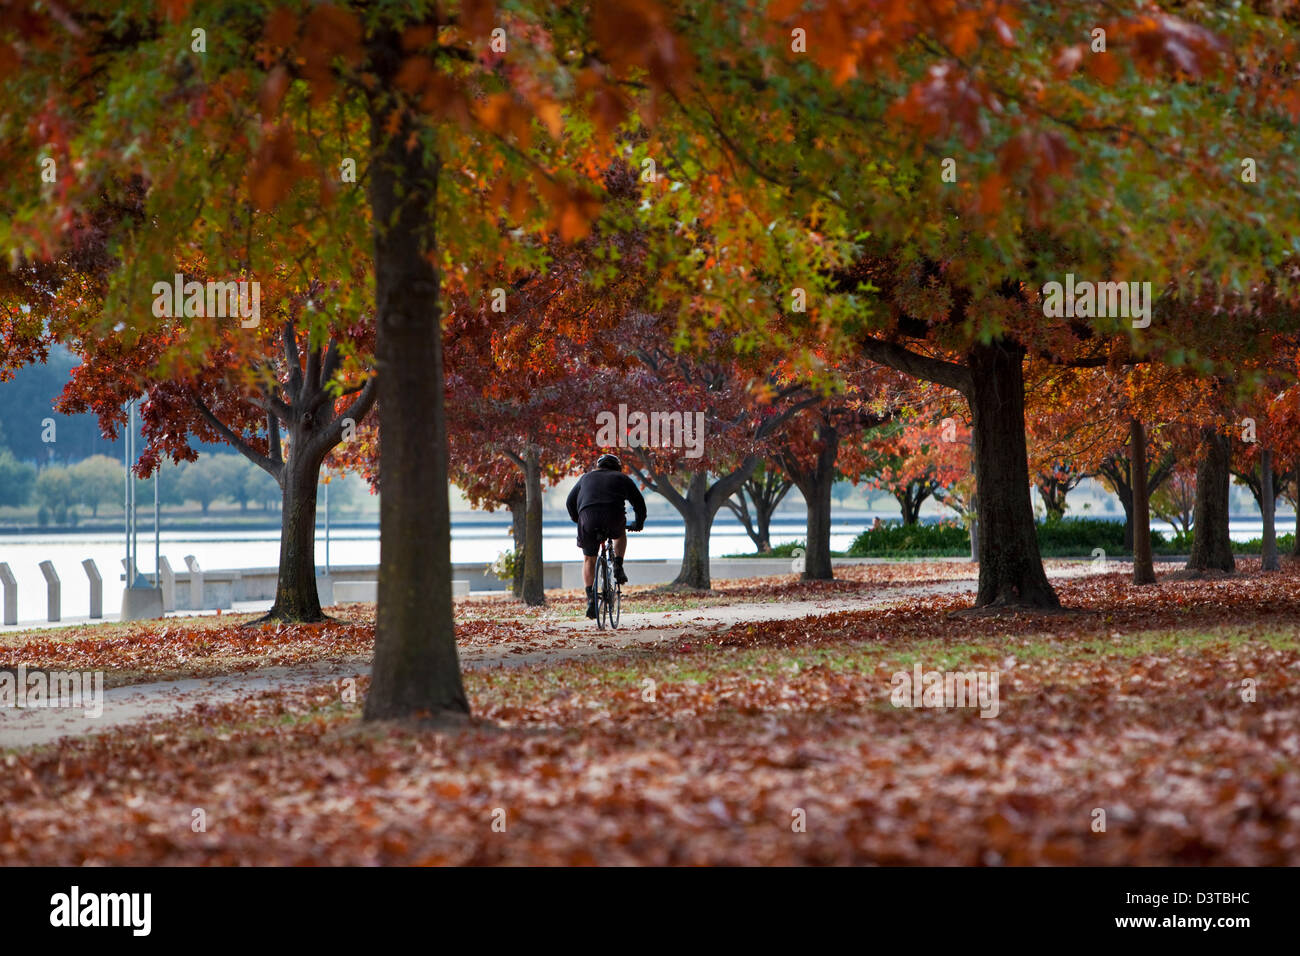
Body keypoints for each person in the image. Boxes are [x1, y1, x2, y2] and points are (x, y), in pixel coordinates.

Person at [566, 453, 647, 619]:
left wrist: (578, 519)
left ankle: (590, 599)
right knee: (620, 534)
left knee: (589, 559)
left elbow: (569, 501)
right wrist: (638, 523)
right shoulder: (621, 478)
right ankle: (618, 565)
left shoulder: (585, 478)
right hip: (613, 518)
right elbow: (639, 503)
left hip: (587, 519)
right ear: (617, 467)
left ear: (598, 466)